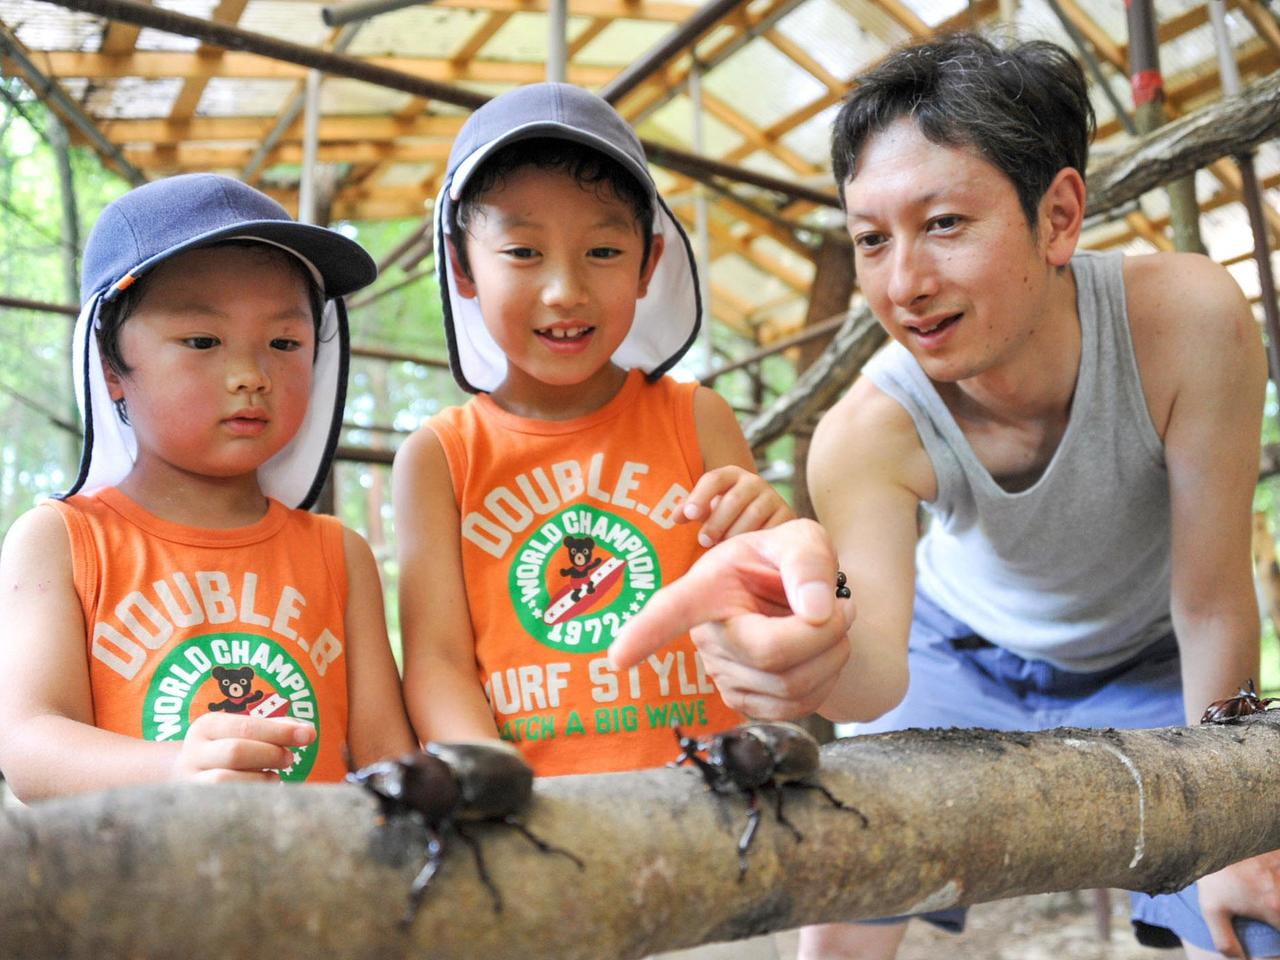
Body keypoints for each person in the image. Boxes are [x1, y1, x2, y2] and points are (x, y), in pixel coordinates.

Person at [614, 30, 1276, 960]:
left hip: (1149, 663)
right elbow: (876, 669)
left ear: (1058, 216)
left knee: (1252, 910)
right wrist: (801, 651)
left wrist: (1234, 823)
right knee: (839, 892)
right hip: (955, 660)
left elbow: (1210, 601)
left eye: (945, 224)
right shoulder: (865, 433)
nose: (904, 284)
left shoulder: (1190, 324)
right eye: (871, 241)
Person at [393, 82, 793, 777]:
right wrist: (497, 781)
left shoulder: (698, 417)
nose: (565, 291)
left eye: (603, 253)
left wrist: (779, 552)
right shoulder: (438, 456)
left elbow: (765, 607)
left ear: (648, 265)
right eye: (522, 252)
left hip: (713, 797)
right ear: (462, 266)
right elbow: (436, 662)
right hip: (541, 816)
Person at [0, 173, 416, 798]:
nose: (251, 374)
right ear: (111, 366)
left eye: (284, 341)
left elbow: (386, 757)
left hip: (320, 891)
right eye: (202, 340)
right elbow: (28, 745)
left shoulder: (340, 555)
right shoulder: (60, 541)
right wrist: (174, 770)